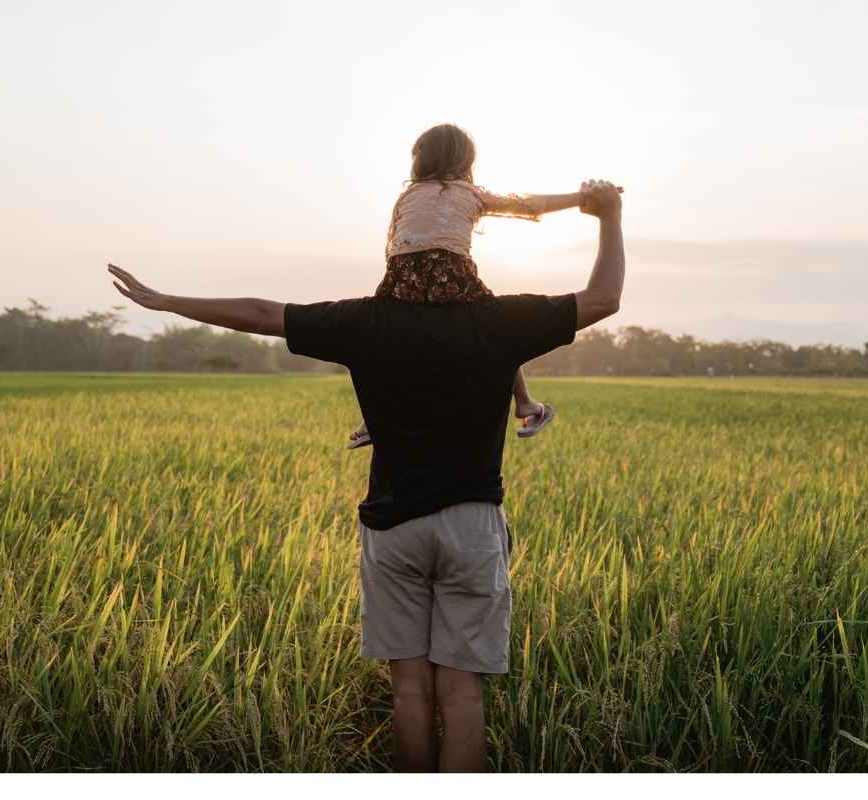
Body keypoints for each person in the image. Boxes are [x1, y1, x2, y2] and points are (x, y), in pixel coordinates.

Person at [106, 177, 625, 772]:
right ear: (467, 248)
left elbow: (258, 312)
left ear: (394, 249)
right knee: (461, 691)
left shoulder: (364, 322)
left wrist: (167, 301)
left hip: (392, 530)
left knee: (408, 690)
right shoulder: (499, 321)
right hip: (470, 526)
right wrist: (608, 216)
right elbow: (603, 298)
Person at [349, 123, 593, 449]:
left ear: (438, 156)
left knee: (379, 337)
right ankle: (524, 403)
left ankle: (522, 402)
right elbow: (394, 244)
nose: (414, 157)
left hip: (426, 278)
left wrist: (580, 198)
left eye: (419, 151)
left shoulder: (461, 194)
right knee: (497, 330)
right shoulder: (411, 195)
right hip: (412, 278)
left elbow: (530, 204)